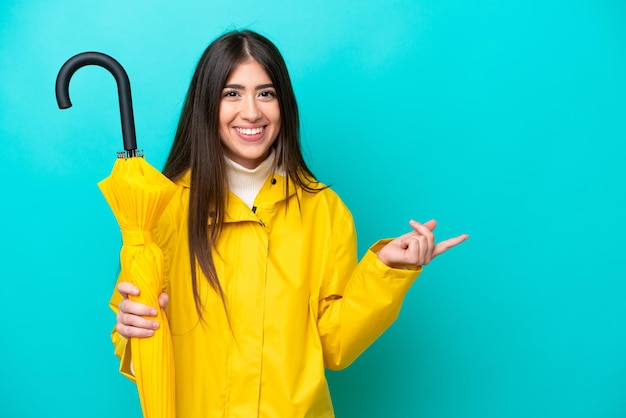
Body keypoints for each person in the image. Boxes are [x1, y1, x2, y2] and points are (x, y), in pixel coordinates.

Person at [110, 29, 468, 417]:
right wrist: (130, 331)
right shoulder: (161, 209)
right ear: (206, 104)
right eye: (232, 93)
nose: (251, 112)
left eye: (266, 93)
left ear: (284, 104)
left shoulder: (323, 210)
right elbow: (132, 338)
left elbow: (335, 346)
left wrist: (387, 270)